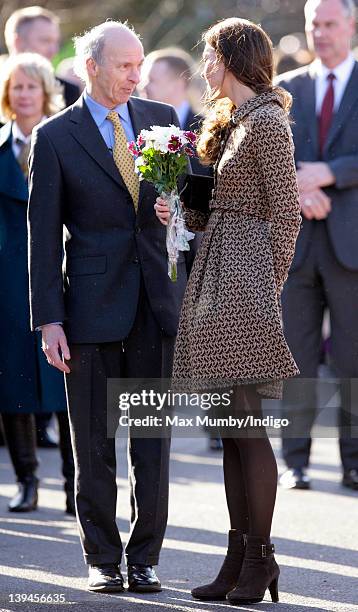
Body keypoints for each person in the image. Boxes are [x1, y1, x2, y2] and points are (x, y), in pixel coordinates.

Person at [27, 21, 197, 594]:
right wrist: (49, 319)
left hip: (155, 305)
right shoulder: (53, 138)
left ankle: (146, 556)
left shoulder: (162, 121)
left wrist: (179, 213)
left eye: (140, 64)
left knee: (152, 443)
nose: (136, 75)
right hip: (89, 309)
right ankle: (102, 559)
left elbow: (188, 201)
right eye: (124, 65)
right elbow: (44, 237)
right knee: (91, 446)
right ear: (90, 66)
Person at [156, 17, 301, 605]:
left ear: (234, 59)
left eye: (211, 56)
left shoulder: (267, 121)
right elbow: (217, 207)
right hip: (216, 274)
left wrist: (268, 285)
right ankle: (238, 555)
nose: (204, 67)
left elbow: (286, 212)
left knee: (247, 427)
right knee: (231, 428)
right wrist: (181, 211)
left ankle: (259, 558)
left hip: (245, 285)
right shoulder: (230, 121)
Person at [277, 0, 358, 492]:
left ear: (350, 25)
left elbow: (330, 163)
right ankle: (295, 461)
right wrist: (300, 188)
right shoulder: (287, 90)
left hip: (351, 248)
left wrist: (332, 173)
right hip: (297, 247)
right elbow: (267, 156)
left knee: (352, 358)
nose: (321, 33)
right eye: (314, 24)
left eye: (330, 24)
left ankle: (354, 462)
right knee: (296, 358)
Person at [0, 52, 75, 515]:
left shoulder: (65, 139)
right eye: (16, 87)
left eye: (31, 86)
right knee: (13, 381)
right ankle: (27, 480)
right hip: (7, 277)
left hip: (57, 269)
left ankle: (74, 483)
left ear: (45, 90)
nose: (23, 95)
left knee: (65, 378)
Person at [4, 5, 81, 447]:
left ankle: (69, 465)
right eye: (45, 42)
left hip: (58, 253)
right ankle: (26, 466)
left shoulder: (69, 99)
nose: (54, 51)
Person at [5, 6, 80, 107]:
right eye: (45, 41)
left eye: (55, 42)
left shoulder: (68, 92)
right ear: (17, 42)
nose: (54, 50)